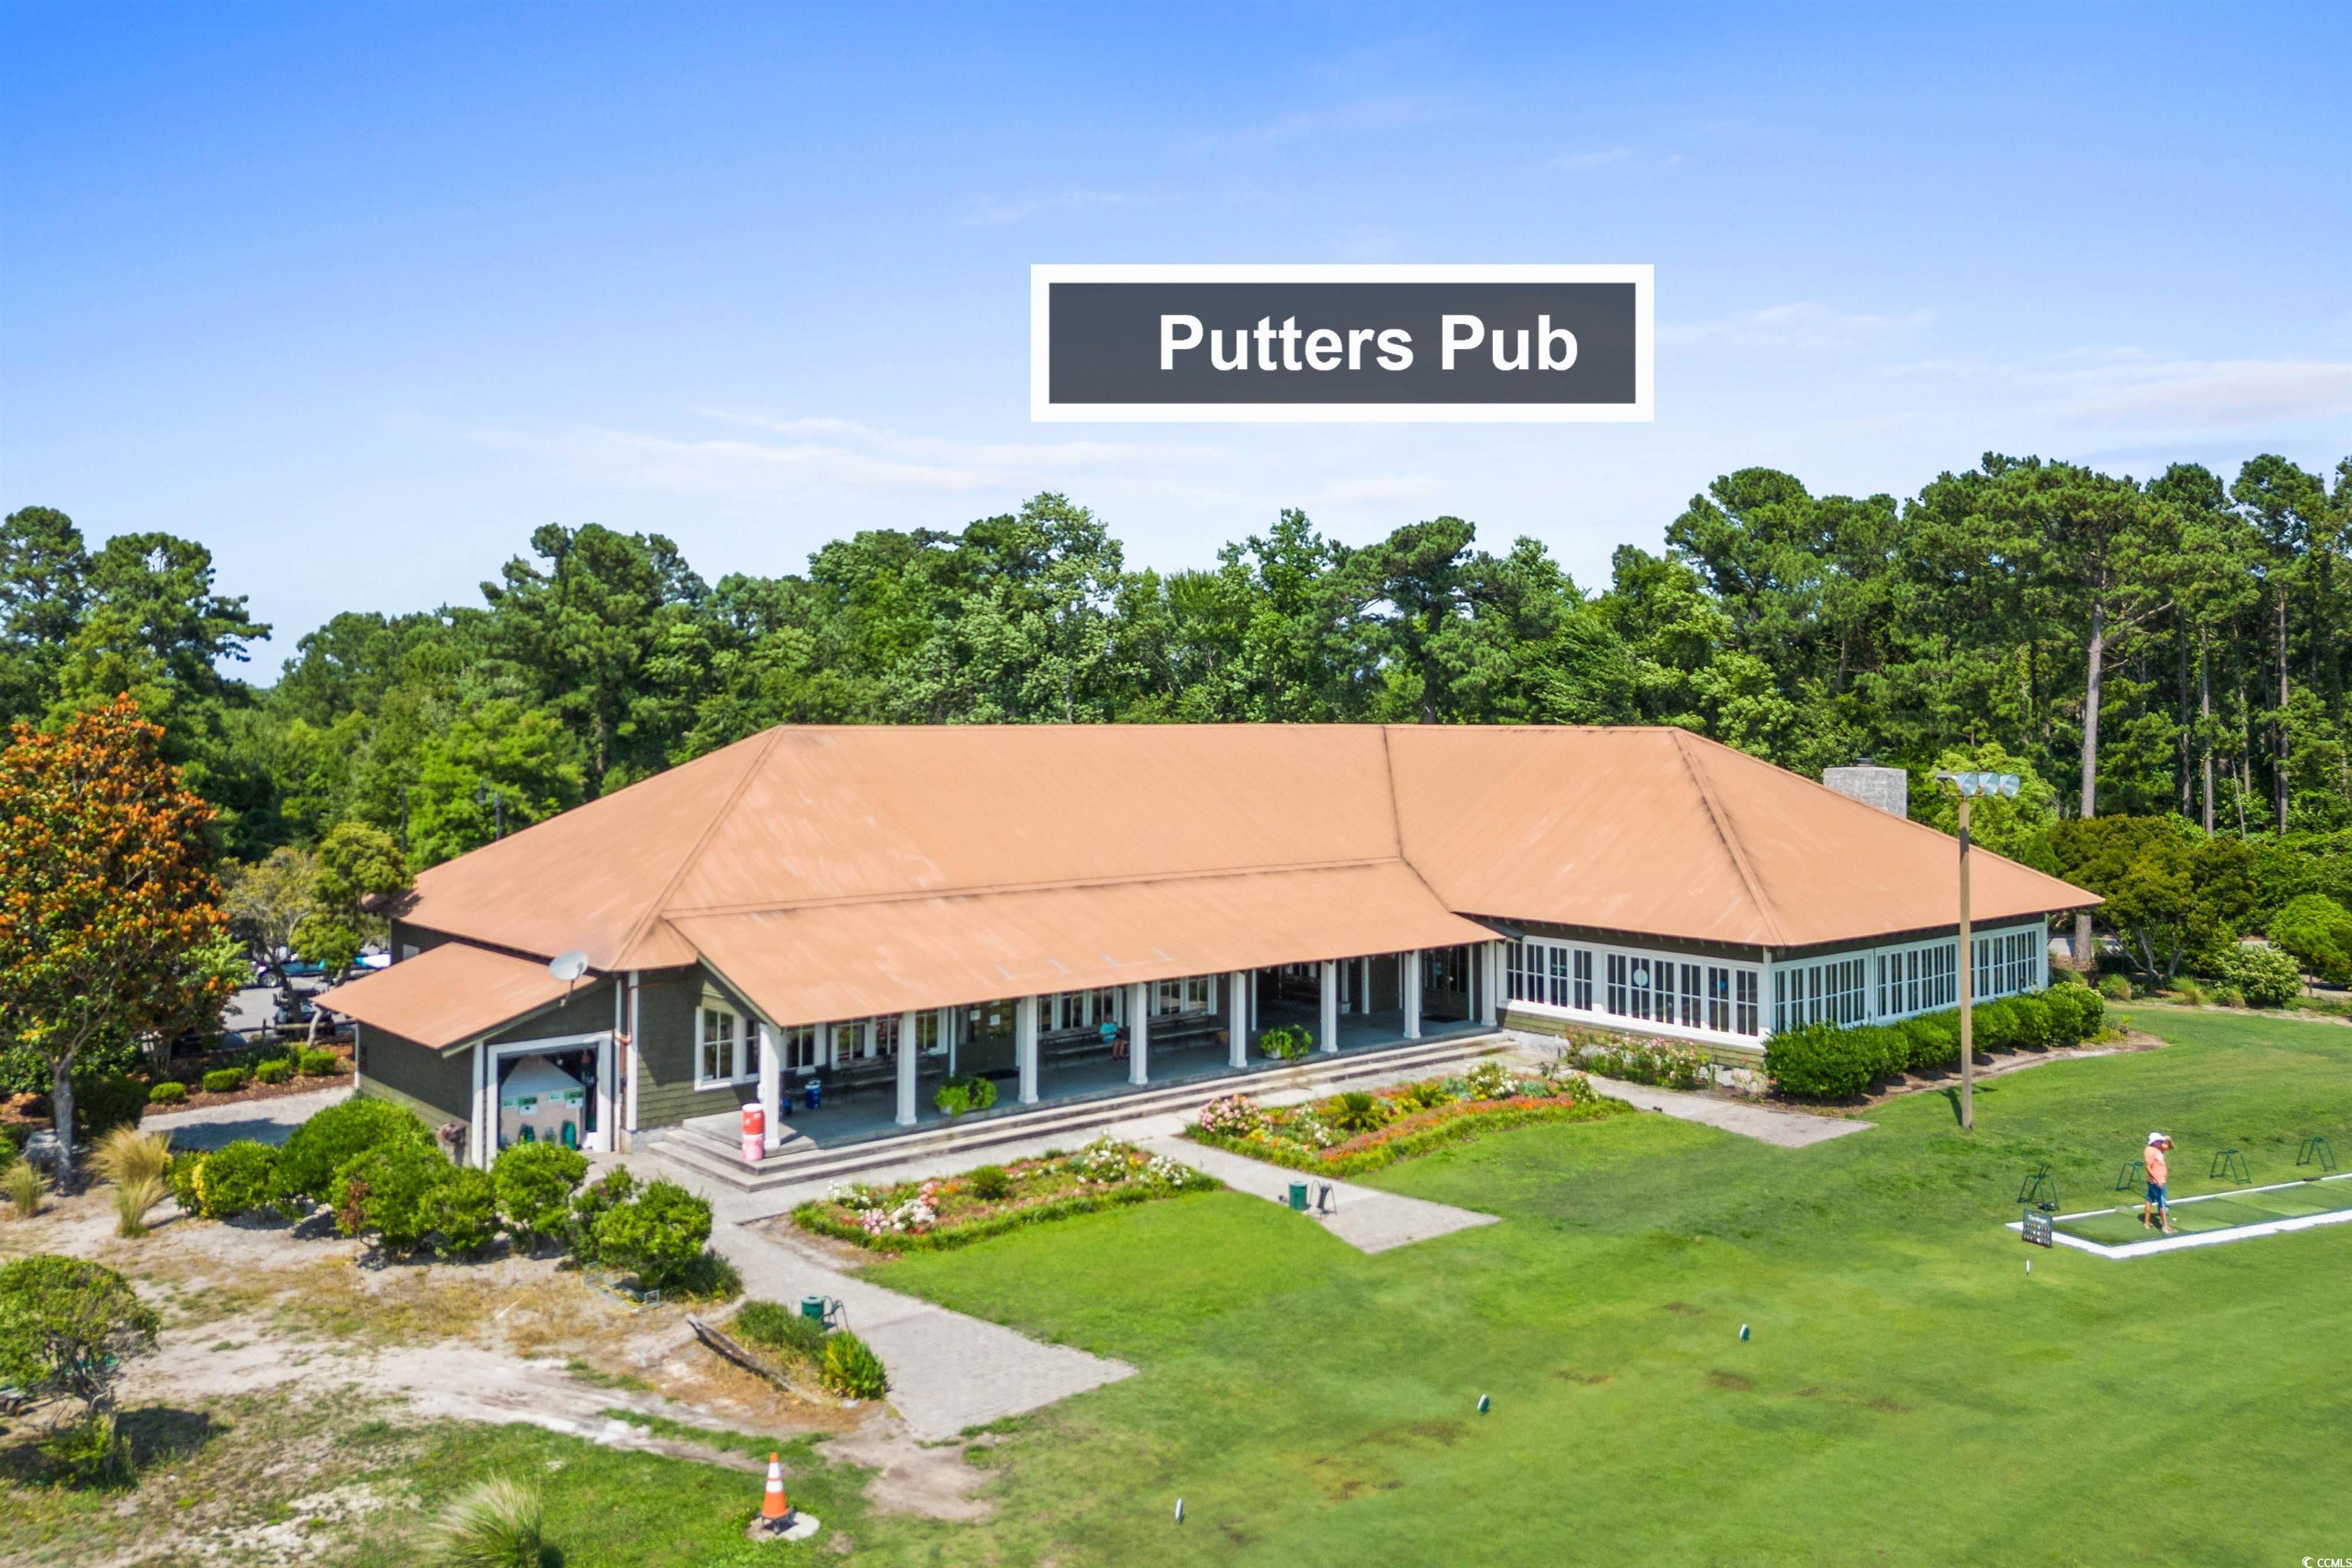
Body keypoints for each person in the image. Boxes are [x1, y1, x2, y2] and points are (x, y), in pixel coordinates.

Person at [2141, 1132, 2176, 1233]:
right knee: (2162, 1203)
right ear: (2154, 1142)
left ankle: (2147, 1223)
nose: (2161, 1142)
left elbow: (2171, 1147)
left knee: (2149, 1199)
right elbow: (2148, 1167)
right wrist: (2157, 1179)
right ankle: (2165, 1226)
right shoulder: (2149, 1151)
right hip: (2157, 1182)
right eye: (2159, 1141)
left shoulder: (2159, 1148)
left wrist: (2169, 1140)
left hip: (2157, 1180)